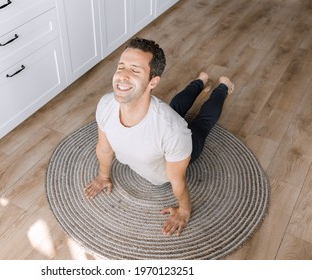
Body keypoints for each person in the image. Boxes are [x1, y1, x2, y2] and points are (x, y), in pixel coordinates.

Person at [84, 37, 234, 237]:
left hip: (179, 141)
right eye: (121, 67)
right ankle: (200, 81)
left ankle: (223, 86)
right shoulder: (105, 104)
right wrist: (103, 176)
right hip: (162, 123)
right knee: (176, 107)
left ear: (153, 81)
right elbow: (104, 148)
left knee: (202, 123)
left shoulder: (173, 131)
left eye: (135, 70)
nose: (123, 76)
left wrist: (184, 211)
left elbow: (177, 179)